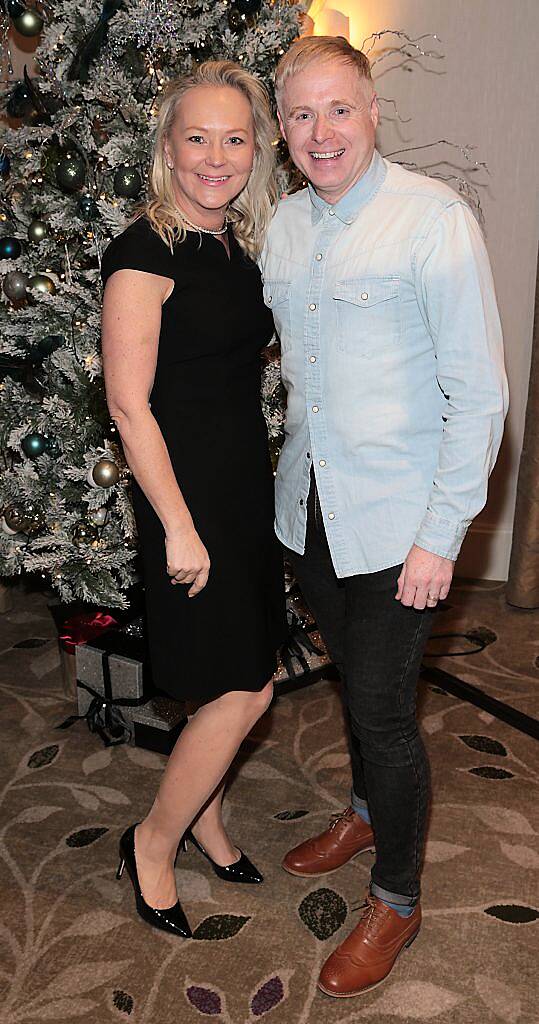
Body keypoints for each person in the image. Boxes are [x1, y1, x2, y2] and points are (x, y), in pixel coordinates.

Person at [261, 36, 508, 997]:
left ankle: (396, 902)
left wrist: (440, 537)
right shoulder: (280, 226)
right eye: (300, 114)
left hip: (403, 527)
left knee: (379, 708)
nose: (321, 131)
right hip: (312, 512)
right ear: (282, 131)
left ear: (372, 113)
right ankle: (364, 807)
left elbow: (478, 397)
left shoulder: (430, 221)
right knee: (353, 689)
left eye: (339, 109)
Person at [101, 61, 287, 938]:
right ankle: (152, 839)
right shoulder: (145, 248)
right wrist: (176, 525)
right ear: (167, 149)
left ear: (256, 149)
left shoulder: (230, 244)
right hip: (187, 499)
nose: (216, 156)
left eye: (234, 138)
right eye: (197, 138)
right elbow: (127, 405)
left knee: (243, 680)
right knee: (241, 692)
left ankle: (207, 819)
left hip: (240, 486)